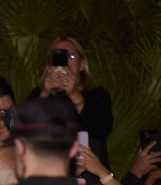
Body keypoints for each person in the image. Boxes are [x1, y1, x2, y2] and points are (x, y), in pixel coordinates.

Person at [27, 36, 113, 167]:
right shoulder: (38, 96)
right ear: (49, 65)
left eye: (71, 56)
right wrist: (44, 93)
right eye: (58, 56)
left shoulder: (97, 95)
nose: (65, 62)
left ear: (82, 64)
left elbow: (101, 129)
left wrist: (74, 94)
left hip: (89, 175)